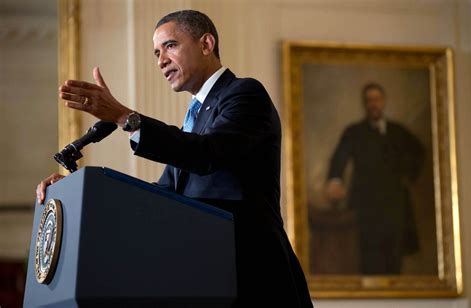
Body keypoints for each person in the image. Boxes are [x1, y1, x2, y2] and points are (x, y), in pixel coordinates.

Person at [36, 10, 313, 307]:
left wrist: (122, 116)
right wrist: (81, 191)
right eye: (156, 52)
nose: (160, 61)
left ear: (206, 44)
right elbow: (163, 195)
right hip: (209, 278)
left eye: (170, 46)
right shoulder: (194, 119)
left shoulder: (244, 93)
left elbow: (207, 153)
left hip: (255, 276)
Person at [325, 82, 424, 275]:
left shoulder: (398, 131)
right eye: (369, 100)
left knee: (394, 257)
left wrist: (408, 175)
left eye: (376, 99)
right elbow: (340, 157)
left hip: (395, 205)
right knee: (369, 258)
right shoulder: (354, 132)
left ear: (383, 101)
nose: (373, 104)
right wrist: (335, 180)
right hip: (366, 206)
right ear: (365, 104)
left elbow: (419, 152)